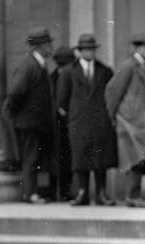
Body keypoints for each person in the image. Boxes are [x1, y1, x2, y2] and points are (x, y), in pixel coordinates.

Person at [57, 34, 118, 206]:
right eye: (86, 49)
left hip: (100, 120)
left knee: (101, 157)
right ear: (80, 51)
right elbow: (61, 99)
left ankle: (101, 192)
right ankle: (82, 192)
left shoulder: (104, 71)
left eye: (92, 49)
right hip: (79, 121)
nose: (89, 52)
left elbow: (112, 95)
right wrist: (73, 114)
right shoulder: (69, 71)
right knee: (80, 156)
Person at [104, 33, 145, 207]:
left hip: (140, 122)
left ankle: (135, 195)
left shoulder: (143, 66)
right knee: (134, 159)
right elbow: (112, 91)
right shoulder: (129, 66)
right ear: (139, 48)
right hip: (130, 122)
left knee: (141, 159)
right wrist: (116, 115)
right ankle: (132, 196)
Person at [3, 27, 56, 204]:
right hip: (29, 122)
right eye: (48, 43)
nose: (51, 47)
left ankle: (32, 192)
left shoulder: (37, 64)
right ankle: (29, 193)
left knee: (34, 158)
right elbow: (15, 92)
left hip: (36, 122)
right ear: (40, 46)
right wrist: (17, 112)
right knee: (31, 158)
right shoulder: (29, 65)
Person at [50, 46, 76, 201]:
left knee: (67, 159)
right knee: (57, 160)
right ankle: (56, 191)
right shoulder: (52, 78)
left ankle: (65, 191)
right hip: (55, 125)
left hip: (67, 124)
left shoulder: (53, 77)